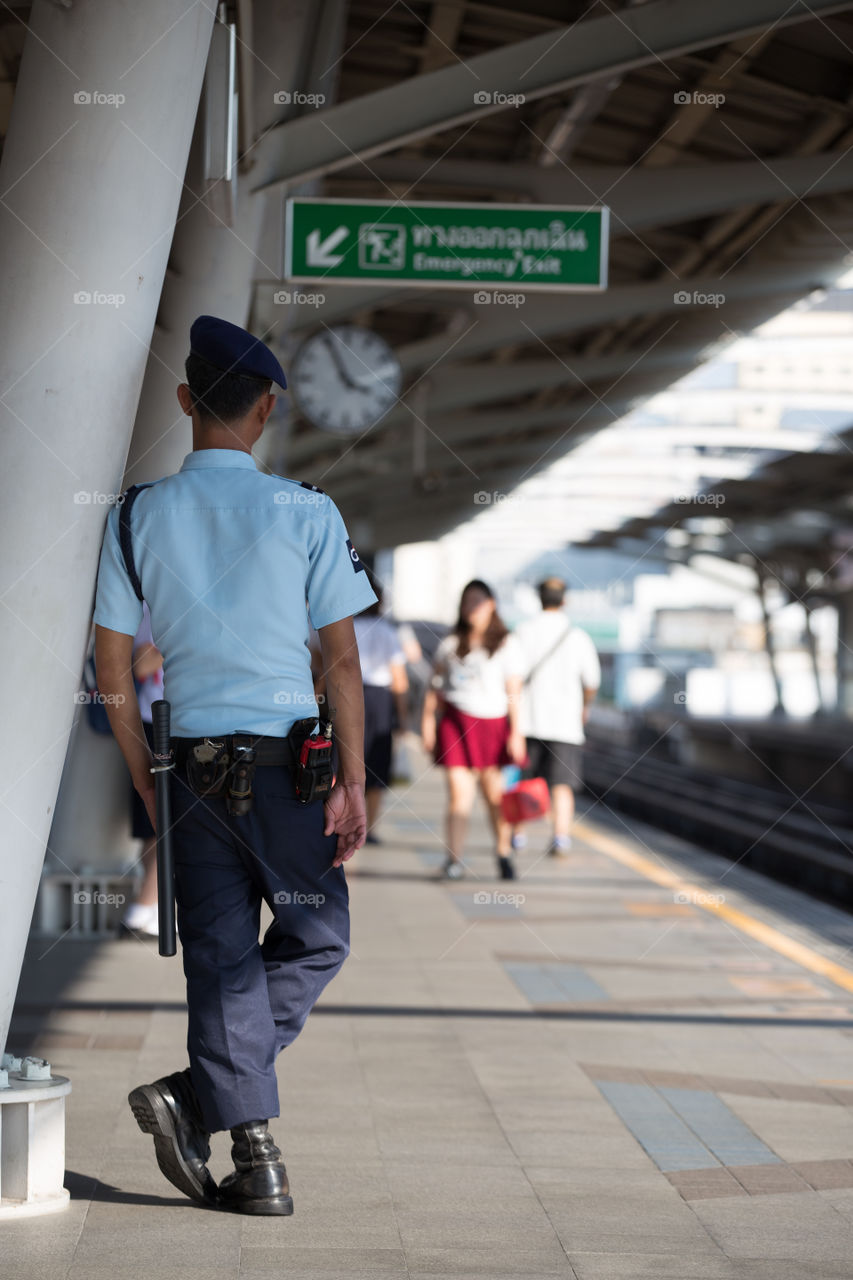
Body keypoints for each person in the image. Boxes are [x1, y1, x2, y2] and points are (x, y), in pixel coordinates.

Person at [94, 315, 376, 1216]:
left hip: (187, 770)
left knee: (221, 962)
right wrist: (355, 780)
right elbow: (339, 661)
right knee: (317, 935)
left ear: (184, 402)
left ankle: (233, 1134)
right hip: (291, 772)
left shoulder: (135, 514)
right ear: (267, 408)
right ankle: (223, 1122)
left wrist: (146, 775)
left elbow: (109, 667)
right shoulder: (306, 510)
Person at [421, 579, 525, 880]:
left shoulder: (508, 644)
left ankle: (503, 851)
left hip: (492, 726)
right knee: (458, 795)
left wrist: (516, 733)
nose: (472, 608)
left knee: (494, 796)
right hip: (456, 723)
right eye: (467, 602)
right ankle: (453, 861)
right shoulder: (451, 644)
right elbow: (434, 688)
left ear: (491, 604)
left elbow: (514, 692)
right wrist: (427, 724)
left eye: (477, 601)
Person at [513, 576, 600, 856]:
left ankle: (518, 834)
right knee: (562, 784)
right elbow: (592, 681)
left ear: (539, 598)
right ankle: (560, 837)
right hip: (566, 724)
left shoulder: (523, 631)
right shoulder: (578, 637)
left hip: (527, 720)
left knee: (526, 780)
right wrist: (584, 707)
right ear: (565, 600)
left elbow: (511, 677)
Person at [119, 602, 163, 939]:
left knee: (164, 821)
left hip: (191, 721)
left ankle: (151, 908)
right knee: (160, 819)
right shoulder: (149, 608)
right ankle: (144, 909)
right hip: (154, 723)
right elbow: (140, 664)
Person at [352, 582, 409, 843]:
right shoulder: (388, 631)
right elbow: (399, 680)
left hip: (351, 694)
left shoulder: (346, 627)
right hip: (380, 700)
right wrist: (403, 718)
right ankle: (368, 828)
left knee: (345, 759)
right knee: (377, 764)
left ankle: (344, 819)